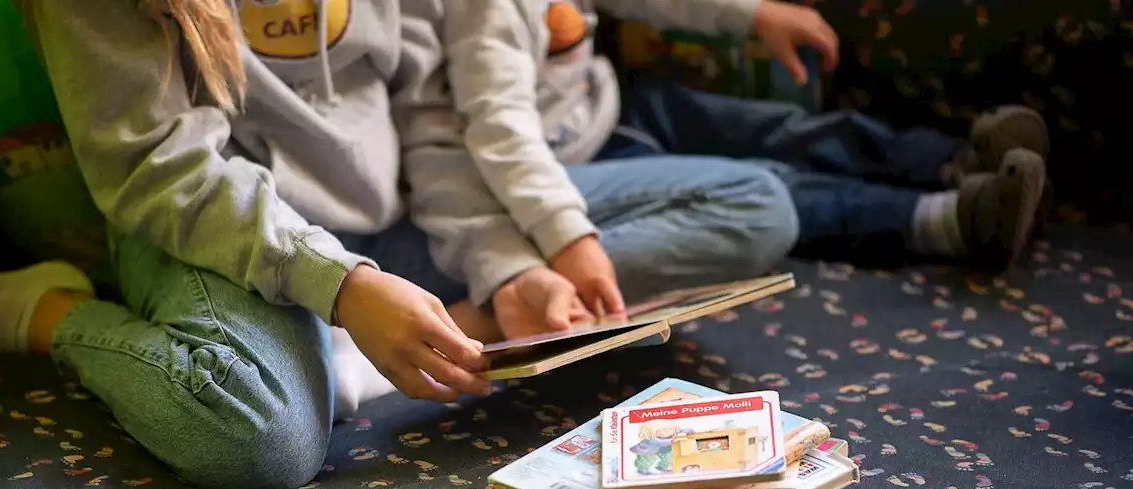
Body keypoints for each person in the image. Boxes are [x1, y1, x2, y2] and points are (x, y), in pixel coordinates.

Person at [0, 0, 625, 489]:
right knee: (260, 437)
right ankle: (50, 312)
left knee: (736, 217)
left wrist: (508, 263)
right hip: (206, 227)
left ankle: (373, 347)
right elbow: (156, 169)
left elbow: (431, 117)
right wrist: (345, 287)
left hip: (386, 217)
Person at [442, 0, 1049, 319]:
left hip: (608, 105)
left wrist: (751, 13)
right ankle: (946, 218)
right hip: (557, 166)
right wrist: (565, 235)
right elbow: (498, 127)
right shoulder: (484, 11)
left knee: (772, 127)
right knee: (770, 185)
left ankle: (956, 160)